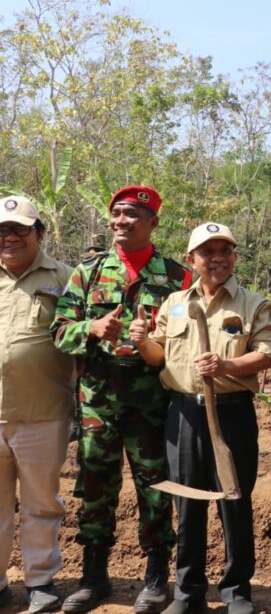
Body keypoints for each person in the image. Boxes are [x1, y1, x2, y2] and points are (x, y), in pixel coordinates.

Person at [51, 186, 192, 614]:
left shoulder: (176, 277)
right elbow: (59, 332)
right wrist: (90, 329)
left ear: (152, 223)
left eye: (131, 215)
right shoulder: (88, 272)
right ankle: (94, 578)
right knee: (95, 490)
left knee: (156, 492)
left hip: (153, 405)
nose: (120, 222)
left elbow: (184, 341)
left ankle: (155, 578)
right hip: (98, 401)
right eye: (115, 214)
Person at [132, 223, 271, 614]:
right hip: (183, 413)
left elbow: (267, 353)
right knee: (188, 503)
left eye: (224, 251)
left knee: (235, 501)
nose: (217, 258)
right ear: (192, 258)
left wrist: (227, 363)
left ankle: (237, 591)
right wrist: (142, 340)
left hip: (232, 415)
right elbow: (158, 356)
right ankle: (188, 591)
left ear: (233, 257)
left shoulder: (253, 303)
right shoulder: (175, 303)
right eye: (208, 252)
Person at [0, 197, 73, 614]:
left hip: (44, 410)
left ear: (39, 233)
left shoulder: (64, 278)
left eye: (20, 229)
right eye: (2, 230)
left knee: (42, 503)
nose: (10, 237)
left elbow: (79, 336)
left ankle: (41, 581)